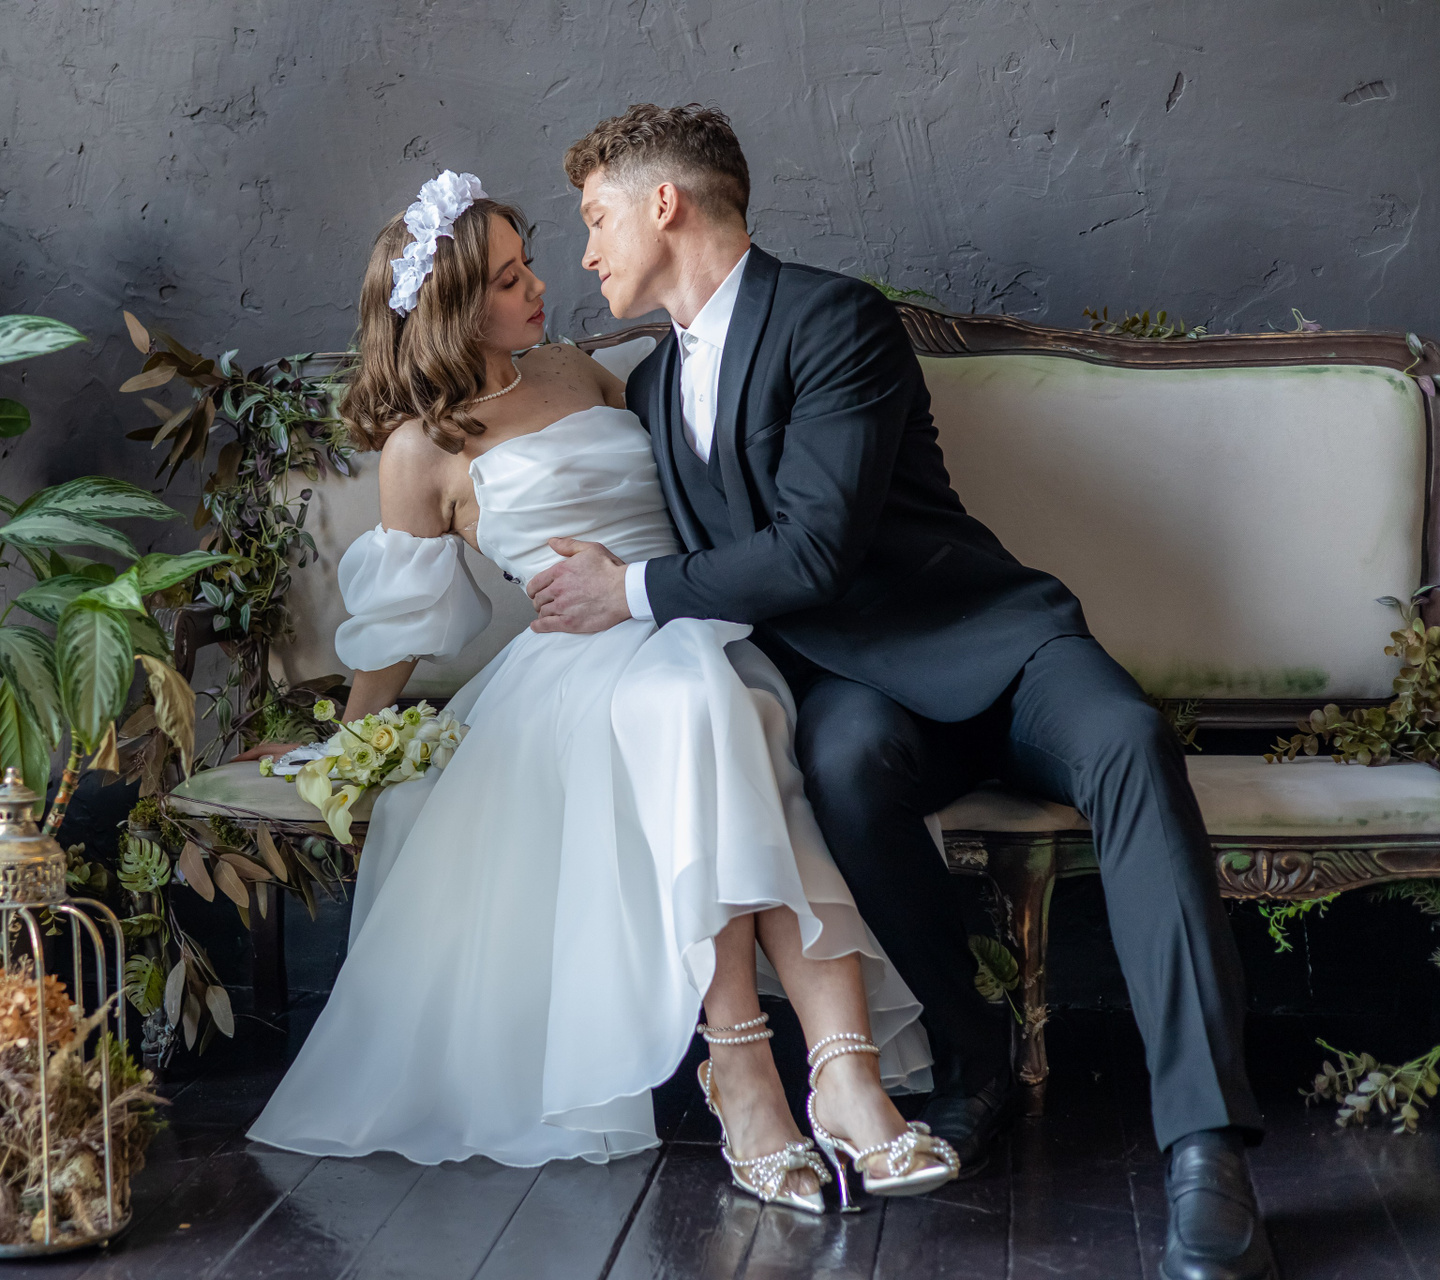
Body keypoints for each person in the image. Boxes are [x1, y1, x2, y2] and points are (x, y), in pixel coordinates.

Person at [527, 104, 1273, 1280]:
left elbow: (814, 549)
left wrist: (626, 590)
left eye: (595, 217)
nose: (585, 251)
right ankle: (978, 1061)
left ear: (663, 202)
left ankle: (1205, 1145)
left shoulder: (836, 318)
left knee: (1130, 739)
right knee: (840, 766)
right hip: (855, 693)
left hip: (991, 641)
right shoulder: (655, 388)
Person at [239, 169, 957, 1211]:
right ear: (450, 310)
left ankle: (771, 1074)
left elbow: (698, 487)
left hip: (691, 621)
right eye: (507, 280)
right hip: (574, 669)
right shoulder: (422, 450)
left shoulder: (579, 368)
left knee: (712, 695)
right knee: (707, 708)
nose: (540, 286)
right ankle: (817, 1073)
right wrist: (347, 739)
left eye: (528, 264)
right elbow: (399, 630)